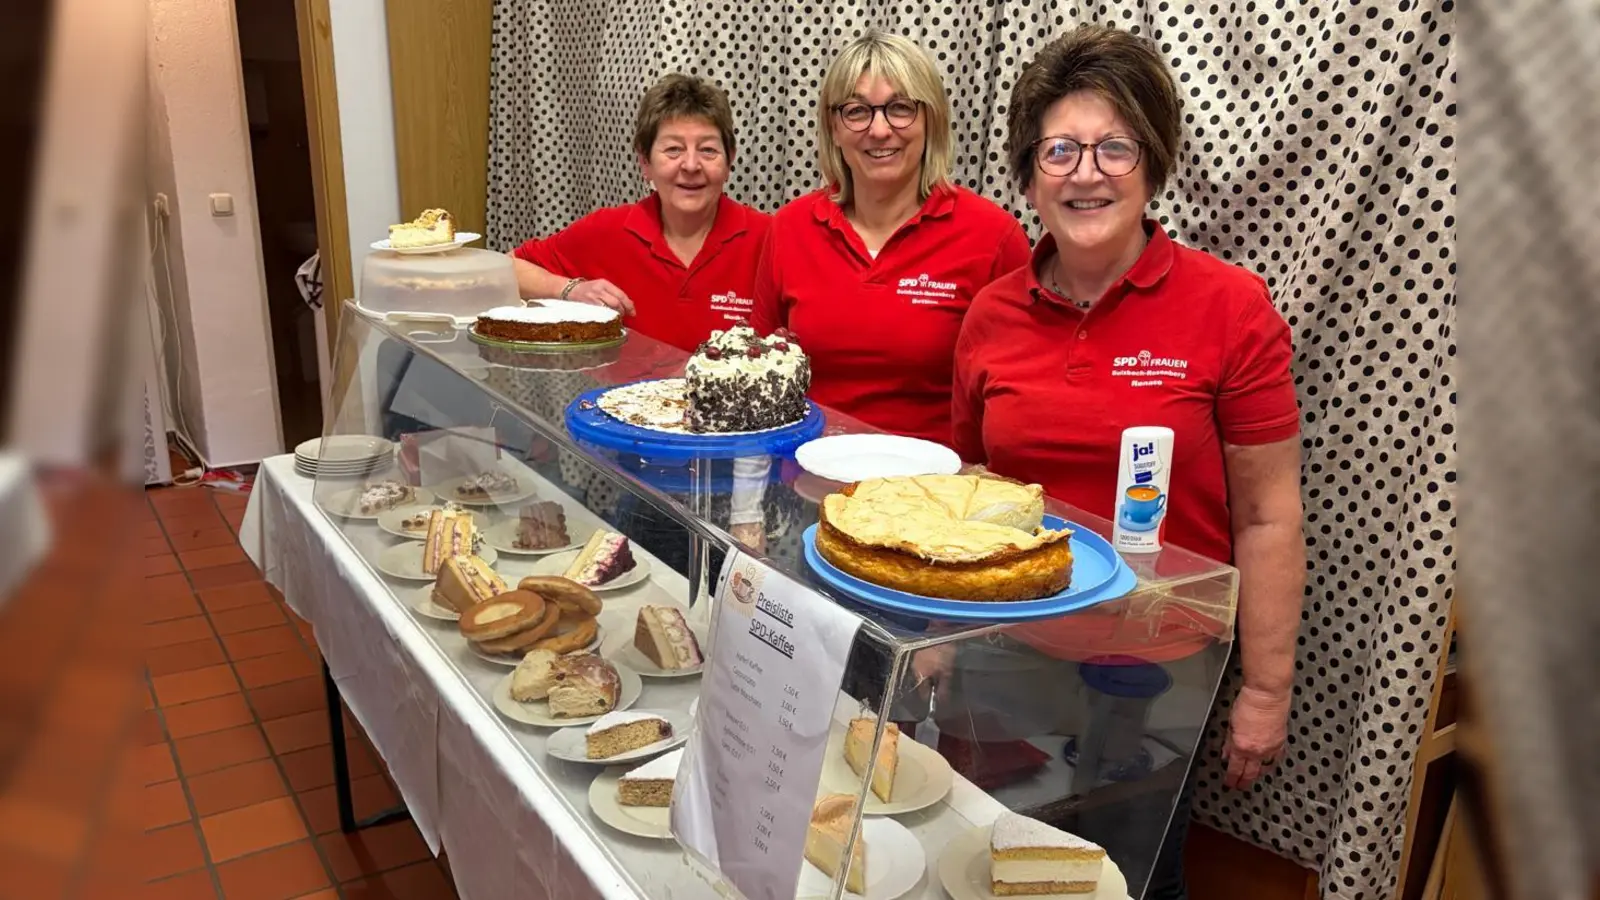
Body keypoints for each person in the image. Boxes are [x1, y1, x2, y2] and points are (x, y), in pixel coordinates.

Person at [950, 25, 1306, 899]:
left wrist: (1267, 689)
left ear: (1153, 165)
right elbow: (969, 491)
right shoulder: (991, 315)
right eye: (1059, 150)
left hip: (1159, 668)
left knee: (1131, 880)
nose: (1087, 173)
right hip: (1008, 648)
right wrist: (936, 637)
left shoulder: (1230, 306)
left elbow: (1269, 515)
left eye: (1116, 147)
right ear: (1028, 175)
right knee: (986, 867)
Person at [750, 32, 1030, 446]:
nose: (879, 130)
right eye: (857, 111)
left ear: (930, 120)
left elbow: (1019, 401)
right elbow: (759, 376)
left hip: (935, 480)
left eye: (900, 108)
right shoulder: (789, 228)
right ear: (834, 127)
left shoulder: (994, 237)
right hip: (807, 472)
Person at [509, 74, 769, 353]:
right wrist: (569, 289)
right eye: (673, 150)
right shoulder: (607, 230)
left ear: (730, 159)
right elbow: (508, 267)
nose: (691, 165)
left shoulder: (771, 238)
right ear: (645, 162)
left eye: (708, 150)